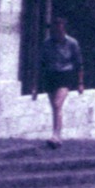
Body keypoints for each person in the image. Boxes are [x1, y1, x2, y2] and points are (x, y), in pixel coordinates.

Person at [34, 16, 83, 148]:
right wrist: (35, 86)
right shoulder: (47, 44)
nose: (57, 33)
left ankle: (56, 135)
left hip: (65, 75)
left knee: (57, 104)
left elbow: (79, 64)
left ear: (63, 29)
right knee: (55, 107)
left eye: (59, 29)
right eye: (55, 30)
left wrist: (80, 83)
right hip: (51, 75)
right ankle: (57, 136)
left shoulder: (72, 43)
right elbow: (40, 64)